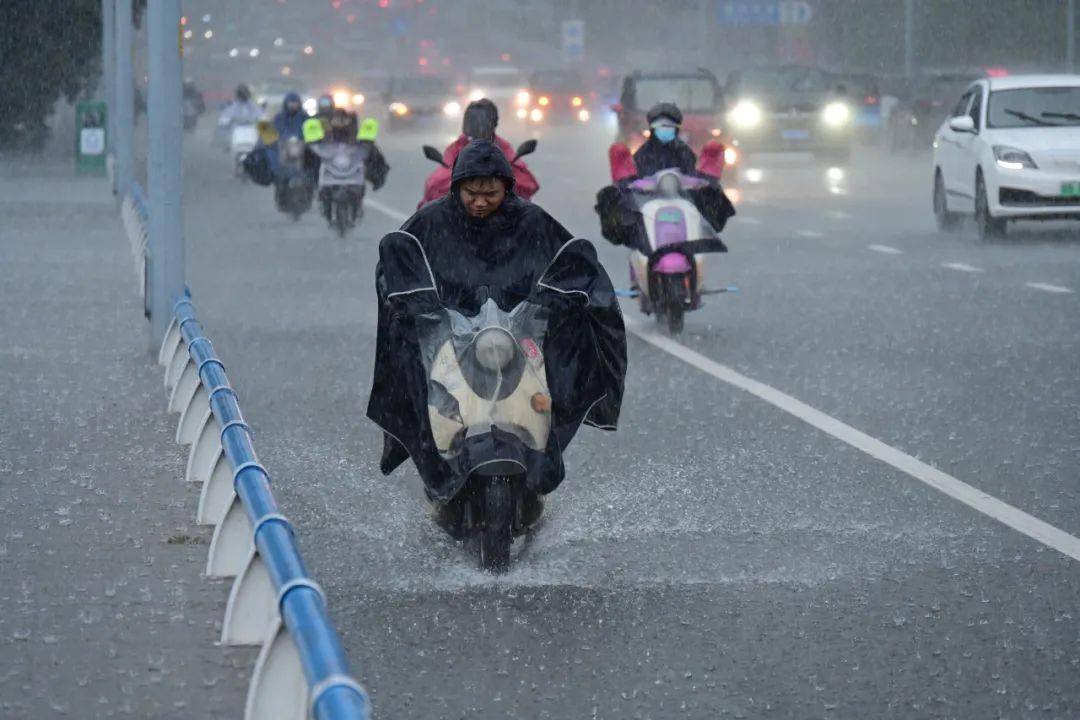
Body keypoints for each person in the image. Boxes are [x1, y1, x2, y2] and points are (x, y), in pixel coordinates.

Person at [368, 139, 626, 535]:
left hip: (518, 336)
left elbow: (573, 261)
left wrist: (551, 304)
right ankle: (437, 470)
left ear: (507, 187)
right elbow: (398, 263)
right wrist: (421, 308)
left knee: (553, 382)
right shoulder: (431, 223)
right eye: (472, 193)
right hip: (447, 335)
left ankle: (538, 463)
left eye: (491, 193)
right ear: (456, 188)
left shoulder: (533, 223)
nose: (480, 202)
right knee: (416, 382)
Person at [419, 99, 539, 207]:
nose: (477, 126)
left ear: (494, 124)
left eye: (482, 120)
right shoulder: (456, 148)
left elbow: (526, 185)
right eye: (472, 121)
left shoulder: (503, 148)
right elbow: (436, 185)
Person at [631, 102, 698, 177]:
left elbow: (692, 177)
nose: (665, 129)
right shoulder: (642, 154)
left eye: (669, 126)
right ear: (653, 129)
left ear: (676, 129)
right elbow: (634, 179)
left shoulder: (685, 153)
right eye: (660, 126)